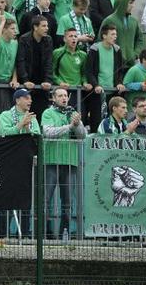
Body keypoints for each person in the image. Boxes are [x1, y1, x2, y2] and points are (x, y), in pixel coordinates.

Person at [41, 87, 86, 239]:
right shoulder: (48, 113)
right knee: (45, 199)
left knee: (67, 202)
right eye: (60, 96)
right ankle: (44, 234)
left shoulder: (73, 113)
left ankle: (64, 233)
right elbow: (48, 132)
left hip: (70, 162)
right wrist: (70, 126)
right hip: (51, 160)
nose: (64, 98)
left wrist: (77, 124)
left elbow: (82, 136)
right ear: (53, 98)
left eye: (65, 95)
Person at [84, 23, 126, 131]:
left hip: (113, 93)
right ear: (104, 36)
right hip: (97, 93)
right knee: (97, 121)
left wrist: (119, 83)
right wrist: (96, 85)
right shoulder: (95, 49)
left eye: (115, 34)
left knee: (112, 121)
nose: (115, 37)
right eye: (112, 34)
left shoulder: (117, 49)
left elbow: (120, 70)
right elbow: (89, 71)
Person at [15, 15, 53, 119]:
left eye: (47, 26)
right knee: (25, 112)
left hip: (42, 83)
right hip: (27, 81)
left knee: (42, 112)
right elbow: (21, 61)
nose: (47, 28)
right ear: (35, 27)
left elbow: (49, 62)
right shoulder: (24, 39)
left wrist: (48, 80)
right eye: (43, 26)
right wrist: (25, 80)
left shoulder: (48, 40)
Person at [100, 0, 146, 74]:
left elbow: (140, 39)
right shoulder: (109, 20)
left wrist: (135, 54)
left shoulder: (134, 21)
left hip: (131, 65)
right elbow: (100, 40)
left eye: (133, 3)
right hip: (113, 65)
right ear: (122, 3)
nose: (133, 6)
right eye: (130, 3)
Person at [52, 29, 90, 110]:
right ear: (64, 39)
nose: (73, 38)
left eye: (75, 36)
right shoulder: (57, 53)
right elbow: (52, 72)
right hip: (63, 90)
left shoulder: (83, 55)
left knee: (79, 115)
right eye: (70, 36)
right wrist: (60, 82)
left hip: (78, 91)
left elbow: (84, 73)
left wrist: (85, 82)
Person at [122, 48, 146, 113]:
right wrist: (140, 85)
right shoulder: (134, 70)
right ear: (144, 60)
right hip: (134, 108)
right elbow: (126, 84)